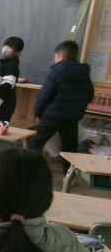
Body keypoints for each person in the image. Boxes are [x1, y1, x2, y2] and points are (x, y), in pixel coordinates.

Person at [27, 40, 94, 174]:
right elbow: (89, 94)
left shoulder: (57, 70)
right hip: (72, 117)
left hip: (53, 114)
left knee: (35, 142)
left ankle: (30, 172)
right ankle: (68, 177)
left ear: (61, 56)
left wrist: (38, 112)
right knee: (70, 147)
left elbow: (45, 94)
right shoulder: (83, 73)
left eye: (56, 57)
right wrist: (77, 109)